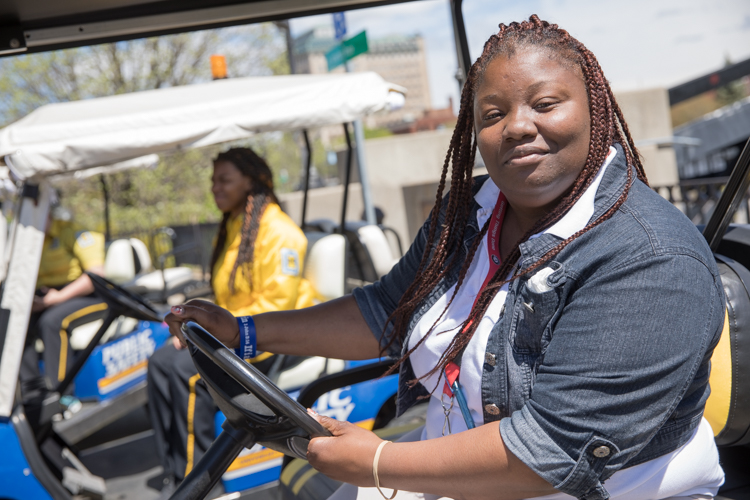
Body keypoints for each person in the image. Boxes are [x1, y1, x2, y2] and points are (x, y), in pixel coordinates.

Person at [165, 16, 726, 500]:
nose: (518, 126)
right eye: (492, 113)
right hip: (459, 467)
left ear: (594, 107)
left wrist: (379, 462)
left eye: (546, 103)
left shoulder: (653, 259)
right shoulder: (469, 215)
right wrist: (242, 330)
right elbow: (390, 309)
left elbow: (551, 450)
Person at [147, 147, 320, 498]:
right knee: (161, 363)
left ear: (251, 181)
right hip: (236, 335)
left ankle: (199, 485)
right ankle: (175, 471)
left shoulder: (281, 232)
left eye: (224, 180)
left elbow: (278, 307)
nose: (215, 188)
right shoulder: (236, 225)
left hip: (269, 340)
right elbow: (229, 298)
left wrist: (220, 333)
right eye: (213, 181)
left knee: (187, 372)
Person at [21, 198, 107, 404]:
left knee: (52, 322)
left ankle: (61, 393)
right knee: (16, 322)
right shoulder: (28, 240)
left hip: (89, 295)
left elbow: (96, 275)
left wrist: (57, 298)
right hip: (47, 297)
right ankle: (32, 392)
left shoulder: (72, 232)